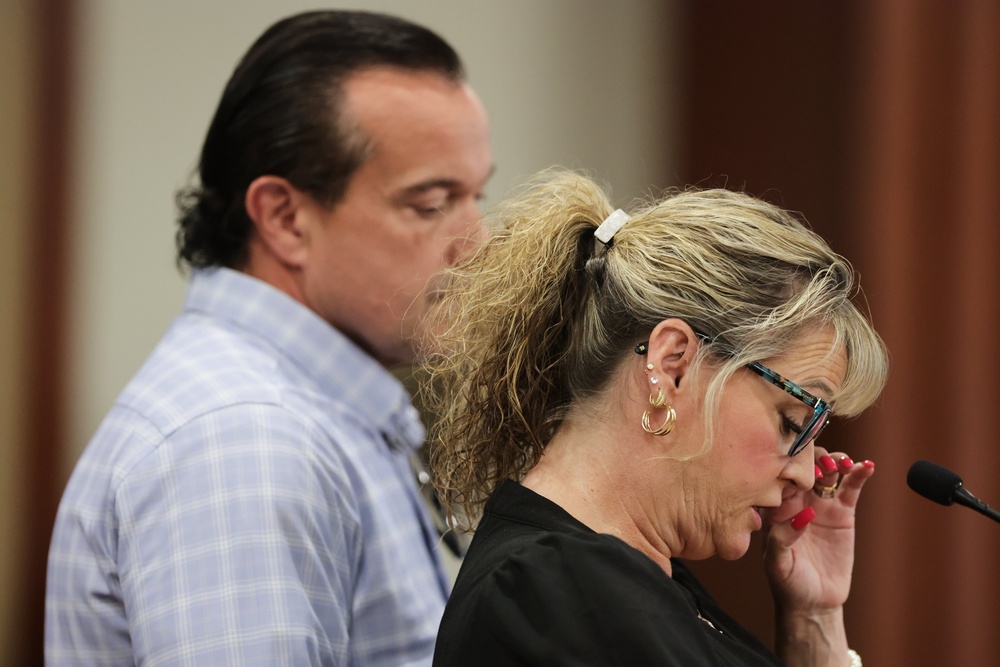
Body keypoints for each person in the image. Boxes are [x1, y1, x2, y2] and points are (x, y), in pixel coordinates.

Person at [45, 10, 492, 666]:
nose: (476, 243)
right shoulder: (245, 438)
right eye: (429, 204)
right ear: (284, 218)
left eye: (478, 194)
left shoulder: (312, 411)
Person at [424, 171, 887, 666]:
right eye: (793, 423)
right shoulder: (558, 590)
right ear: (673, 366)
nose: (802, 471)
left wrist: (814, 616)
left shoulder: (633, 578)